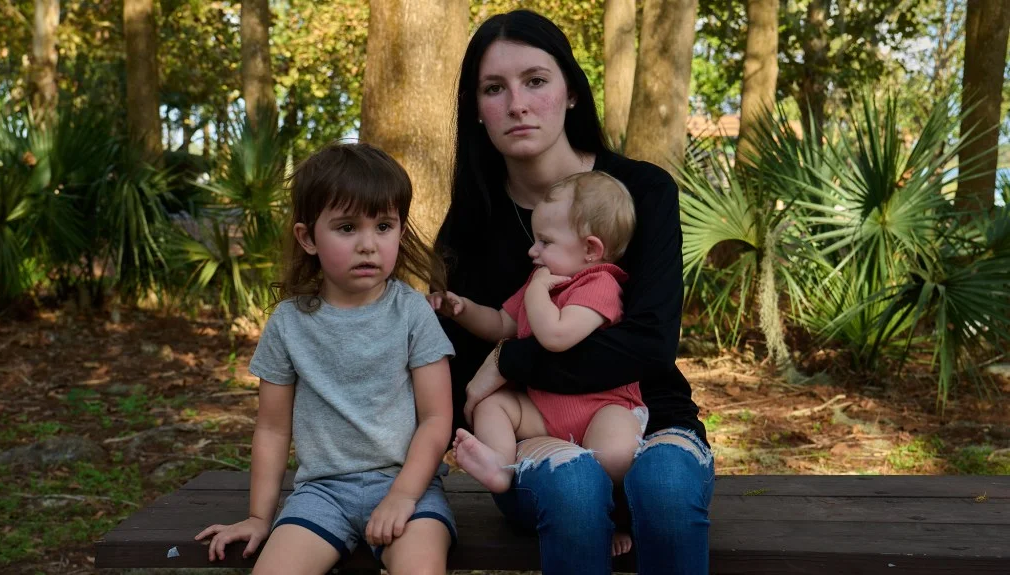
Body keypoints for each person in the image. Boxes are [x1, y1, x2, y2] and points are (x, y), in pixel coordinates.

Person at [432, 9, 714, 575]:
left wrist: (512, 358)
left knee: (661, 486)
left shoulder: (641, 193)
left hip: (647, 415)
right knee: (576, 492)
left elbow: (649, 344)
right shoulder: (469, 227)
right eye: (494, 88)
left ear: (571, 93)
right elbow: (464, 379)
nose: (517, 104)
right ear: (476, 110)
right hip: (532, 438)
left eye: (535, 80)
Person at [195, 143, 456, 575]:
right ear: (308, 237)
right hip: (322, 495)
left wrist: (403, 495)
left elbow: (435, 419)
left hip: (409, 486)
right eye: (347, 227)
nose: (369, 245)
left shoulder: (412, 313)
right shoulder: (288, 324)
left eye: (385, 226)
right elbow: (273, 428)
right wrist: (260, 517)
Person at [430, 171, 643, 556]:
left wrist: (537, 292)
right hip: (546, 410)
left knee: (614, 455)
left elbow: (556, 336)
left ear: (591, 249)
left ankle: (612, 519)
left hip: (602, 407)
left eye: (545, 242)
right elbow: (500, 324)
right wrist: (462, 309)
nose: (534, 252)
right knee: (493, 403)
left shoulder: (599, 284)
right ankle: (500, 466)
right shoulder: (541, 284)